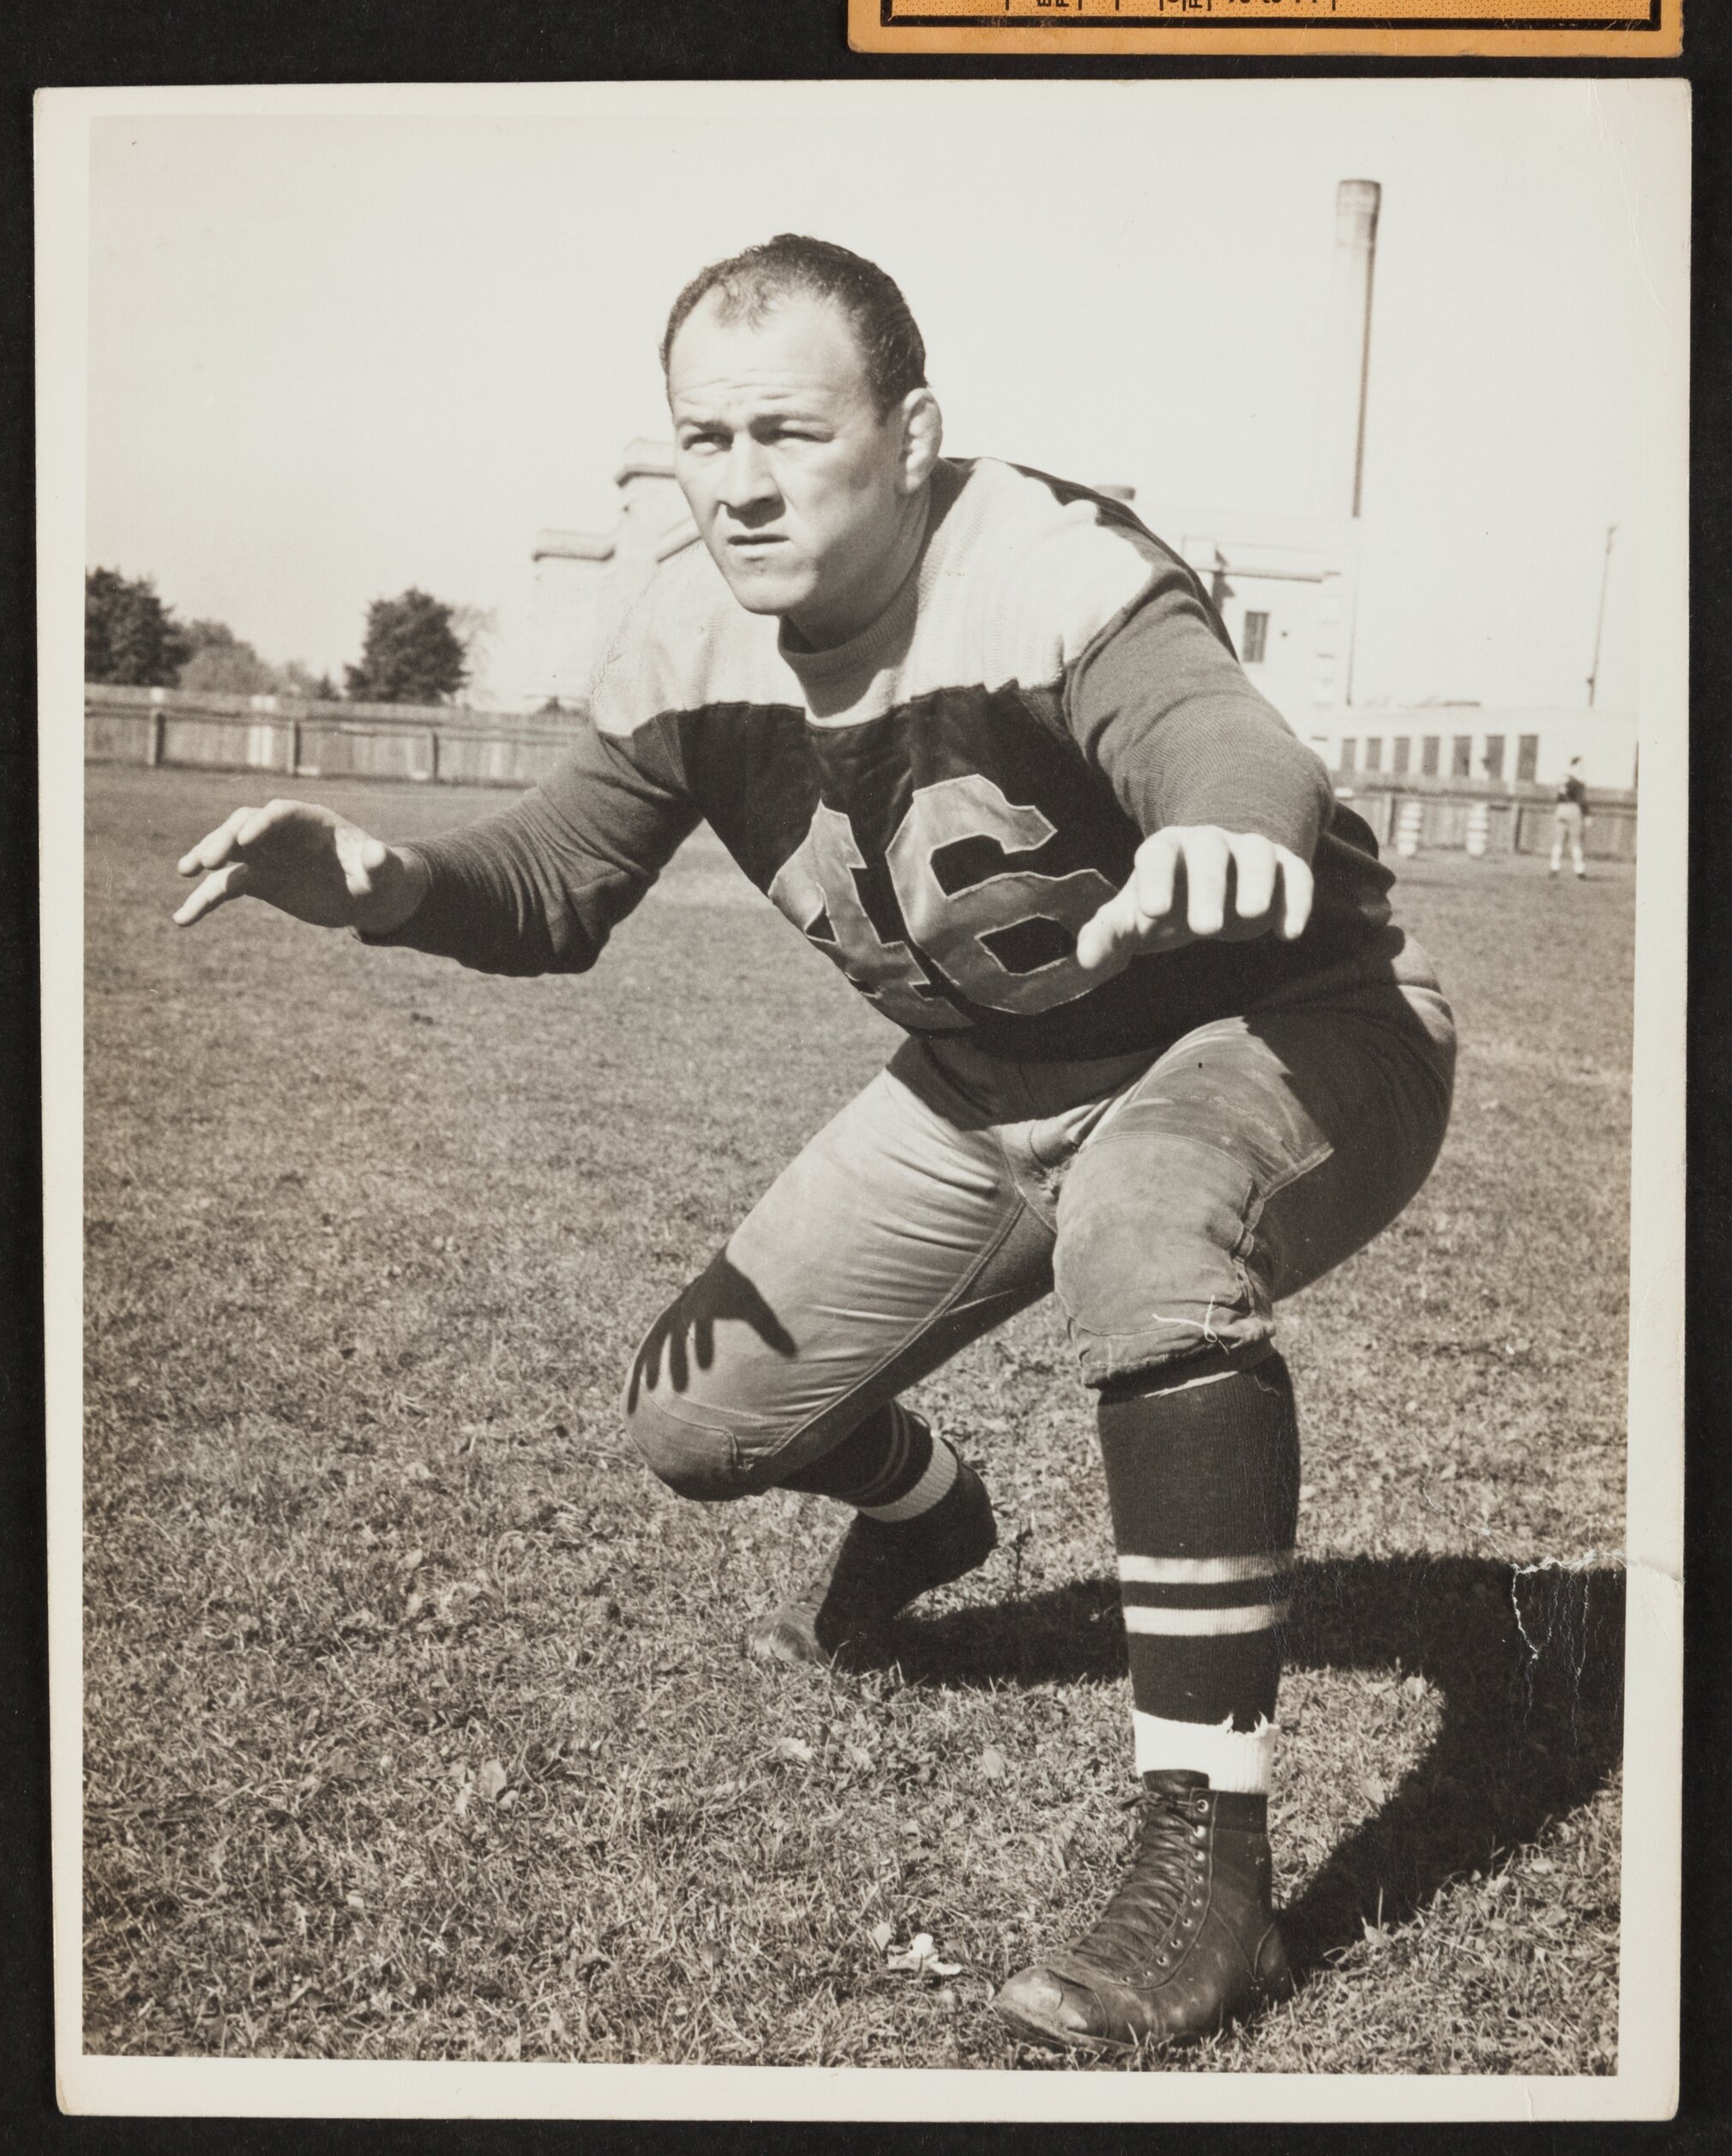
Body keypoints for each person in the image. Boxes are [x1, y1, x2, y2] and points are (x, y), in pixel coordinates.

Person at [175, 235, 1455, 2055]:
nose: (741, 480)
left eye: (787, 429)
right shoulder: (692, 626)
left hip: (1287, 1022)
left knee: (1147, 1218)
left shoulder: (1039, 563)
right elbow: (549, 883)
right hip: (993, 1069)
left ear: (912, 432)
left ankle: (1205, 1859)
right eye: (702, 438)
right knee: (695, 1423)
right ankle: (929, 1520)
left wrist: (1223, 825)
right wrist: (383, 885)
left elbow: (1209, 731)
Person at [1550, 759, 1589, 877]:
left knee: (1559, 841)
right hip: (1573, 809)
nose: (1582, 767)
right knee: (1576, 841)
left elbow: (1558, 793)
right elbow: (1582, 799)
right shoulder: (1579, 781)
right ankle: (1579, 870)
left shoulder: (1562, 778)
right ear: (1575, 765)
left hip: (1561, 809)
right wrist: (1587, 815)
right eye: (1580, 765)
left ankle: (1554, 868)